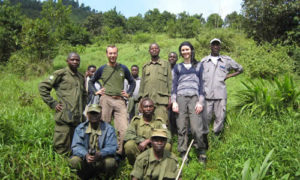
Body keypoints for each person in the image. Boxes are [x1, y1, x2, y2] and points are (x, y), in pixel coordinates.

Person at [88, 45, 136, 156]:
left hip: (120, 101)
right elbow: (91, 81)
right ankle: (104, 152)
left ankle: (120, 153)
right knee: (104, 127)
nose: (112, 55)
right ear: (107, 54)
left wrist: (128, 93)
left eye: (114, 53)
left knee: (123, 129)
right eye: (110, 53)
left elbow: (132, 82)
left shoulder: (123, 68)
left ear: (117, 54)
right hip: (106, 100)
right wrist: (96, 91)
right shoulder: (102, 69)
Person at [38, 52, 87, 155]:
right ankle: (61, 168)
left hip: (77, 119)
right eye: (72, 59)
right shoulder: (61, 74)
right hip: (64, 117)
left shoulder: (81, 77)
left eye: (77, 60)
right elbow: (43, 87)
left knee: (76, 146)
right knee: (62, 146)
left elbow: (84, 95)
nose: (75, 62)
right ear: (67, 61)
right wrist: (53, 103)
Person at [171, 41, 208, 163]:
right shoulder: (178, 67)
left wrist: (200, 102)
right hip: (180, 99)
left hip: (194, 99)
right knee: (181, 127)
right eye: (183, 50)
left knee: (196, 127)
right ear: (181, 53)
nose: (185, 52)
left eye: (187, 49)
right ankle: (183, 152)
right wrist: (174, 102)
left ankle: (201, 151)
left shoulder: (199, 66)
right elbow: (174, 86)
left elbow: (202, 85)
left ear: (191, 50)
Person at [201, 38, 243, 136]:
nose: (215, 47)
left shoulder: (226, 60)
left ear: (220, 47)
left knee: (220, 117)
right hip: (207, 94)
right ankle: (204, 136)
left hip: (220, 94)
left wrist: (228, 76)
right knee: (206, 116)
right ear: (210, 46)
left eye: (217, 45)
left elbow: (240, 69)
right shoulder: (204, 61)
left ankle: (216, 136)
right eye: (213, 44)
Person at [69, 104, 117, 179]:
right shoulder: (80, 128)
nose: (94, 116)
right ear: (87, 115)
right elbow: (75, 146)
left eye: (96, 113)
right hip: (85, 160)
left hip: (101, 160)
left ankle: (104, 177)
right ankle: (80, 177)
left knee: (111, 162)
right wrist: (85, 155)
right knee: (74, 161)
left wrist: (101, 153)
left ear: (100, 114)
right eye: (92, 113)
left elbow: (112, 147)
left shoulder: (109, 129)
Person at [124, 98, 171, 166]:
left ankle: (158, 166)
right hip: (140, 149)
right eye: (145, 107)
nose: (148, 109)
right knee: (129, 145)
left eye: (150, 106)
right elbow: (128, 135)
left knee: (167, 146)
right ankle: (137, 167)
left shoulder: (159, 121)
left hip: (155, 149)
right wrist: (140, 141)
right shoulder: (136, 121)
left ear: (154, 108)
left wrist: (149, 141)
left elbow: (168, 137)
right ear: (141, 109)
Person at [139, 43, 172, 125]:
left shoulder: (166, 64)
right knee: (148, 125)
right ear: (149, 51)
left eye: (156, 48)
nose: (154, 50)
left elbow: (170, 81)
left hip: (161, 101)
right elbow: (142, 84)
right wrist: (141, 100)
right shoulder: (145, 66)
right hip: (148, 102)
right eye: (152, 49)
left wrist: (170, 97)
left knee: (162, 125)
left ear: (159, 50)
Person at [168, 52, 178, 134]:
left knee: (176, 116)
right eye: (170, 57)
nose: (172, 58)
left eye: (174, 57)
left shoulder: (179, 69)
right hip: (167, 96)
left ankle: (176, 134)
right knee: (168, 116)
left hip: (177, 96)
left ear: (177, 59)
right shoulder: (165, 69)